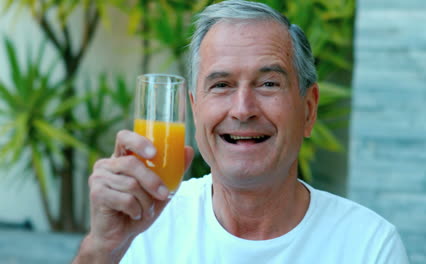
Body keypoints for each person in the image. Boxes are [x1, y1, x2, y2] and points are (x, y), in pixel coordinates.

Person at [74, 0, 409, 263]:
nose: (242, 109)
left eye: (268, 84)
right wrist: (101, 248)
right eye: (221, 85)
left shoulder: (369, 245)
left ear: (308, 110)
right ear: (195, 108)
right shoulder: (144, 224)